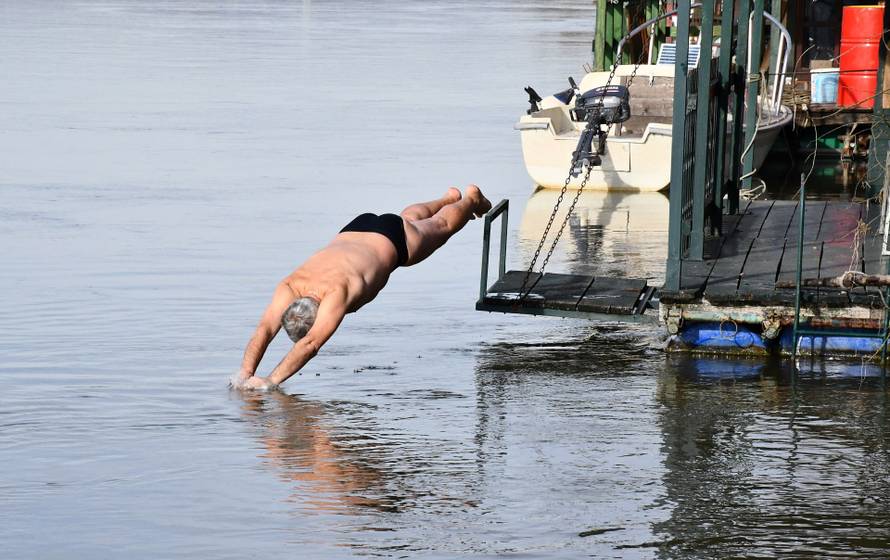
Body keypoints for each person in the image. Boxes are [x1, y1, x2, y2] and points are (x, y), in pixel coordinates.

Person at [235, 185, 491, 390]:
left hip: (396, 241)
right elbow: (264, 330)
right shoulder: (291, 285)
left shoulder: (336, 293)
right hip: (357, 227)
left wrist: (270, 381)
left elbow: (310, 344)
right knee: (408, 219)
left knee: (441, 227)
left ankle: (469, 199)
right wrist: (245, 373)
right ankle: (447, 197)